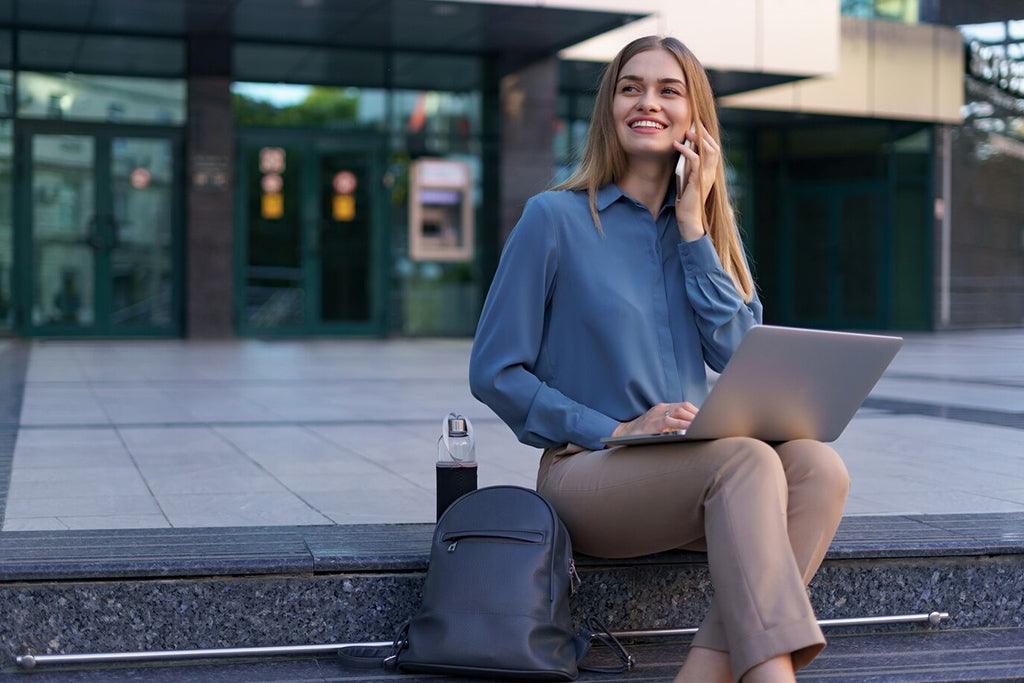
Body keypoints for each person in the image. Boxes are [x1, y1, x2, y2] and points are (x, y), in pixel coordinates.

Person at [469, 35, 850, 683]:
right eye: (631, 88)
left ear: (694, 117)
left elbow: (742, 356)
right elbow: (494, 370)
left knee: (819, 467)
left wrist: (694, 230)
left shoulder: (708, 233)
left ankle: (703, 673)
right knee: (748, 459)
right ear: (609, 108)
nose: (648, 102)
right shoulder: (553, 219)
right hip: (588, 473)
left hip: (698, 471)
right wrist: (614, 428)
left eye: (669, 90)